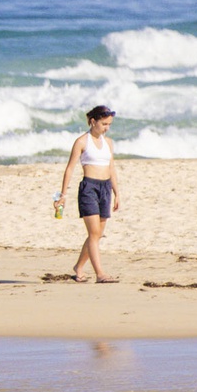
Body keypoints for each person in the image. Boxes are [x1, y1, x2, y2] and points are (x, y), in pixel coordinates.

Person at [55, 105, 120, 283]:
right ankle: (100, 274)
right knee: (93, 234)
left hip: (105, 188)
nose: (107, 127)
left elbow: (111, 168)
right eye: (104, 123)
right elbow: (69, 169)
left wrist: (116, 192)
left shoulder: (109, 143)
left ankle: (79, 267)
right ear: (93, 122)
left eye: (109, 124)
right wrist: (62, 195)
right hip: (89, 188)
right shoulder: (82, 142)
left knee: (97, 234)